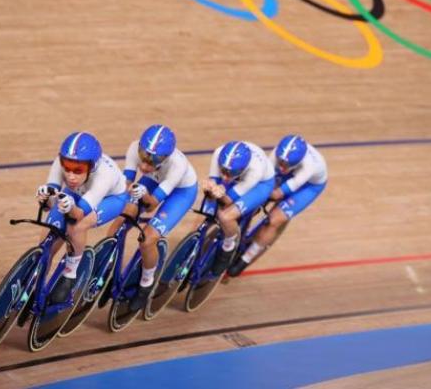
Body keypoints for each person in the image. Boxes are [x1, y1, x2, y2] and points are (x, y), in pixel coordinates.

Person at [107, 124, 198, 312]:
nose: (144, 166)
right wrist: (130, 196)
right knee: (119, 223)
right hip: (153, 180)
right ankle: (109, 270)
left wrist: (142, 194)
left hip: (180, 192)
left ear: (164, 158)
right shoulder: (134, 148)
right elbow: (127, 184)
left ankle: (146, 284)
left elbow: (152, 204)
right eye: (143, 159)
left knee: (148, 239)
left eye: (152, 162)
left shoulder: (177, 165)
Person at [36, 131, 128, 303]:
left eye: (78, 171)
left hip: (110, 199)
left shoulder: (103, 176)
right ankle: (35, 284)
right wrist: (44, 199)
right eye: (67, 168)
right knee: (46, 243)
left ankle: (70, 273)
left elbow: (78, 214)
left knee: (76, 227)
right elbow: (50, 204)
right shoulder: (60, 162)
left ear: (91, 167)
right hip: (77, 192)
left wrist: (69, 207)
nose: (70, 176)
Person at [227, 134, 327, 277]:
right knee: (258, 194)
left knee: (275, 219)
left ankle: (247, 257)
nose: (281, 166)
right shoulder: (278, 152)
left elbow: (278, 194)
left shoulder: (309, 167)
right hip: (291, 175)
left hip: (307, 187)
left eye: (285, 165)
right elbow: (265, 178)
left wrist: (270, 193)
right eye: (280, 162)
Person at [201, 140, 275, 276]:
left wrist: (219, 194)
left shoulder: (255, 170)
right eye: (223, 171)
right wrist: (209, 189)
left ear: (242, 169)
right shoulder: (218, 153)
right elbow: (213, 183)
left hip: (261, 184)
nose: (224, 176)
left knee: (226, 216)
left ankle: (229, 246)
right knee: (208, 207)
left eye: (230, 173)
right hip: (240, 176)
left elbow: (228, 200)